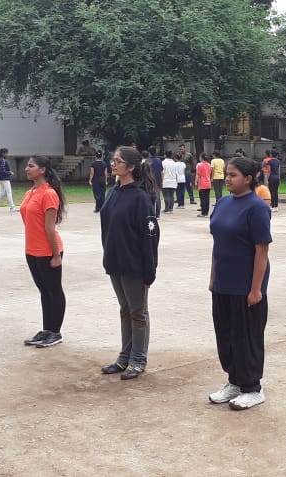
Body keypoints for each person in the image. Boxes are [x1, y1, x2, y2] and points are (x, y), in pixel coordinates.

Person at [207, 156, 272, 410]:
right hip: (223, 282)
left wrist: (256, 289)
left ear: (248, 178)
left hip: (245, 284)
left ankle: (252, 388)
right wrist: (213, 277)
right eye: (227, 174)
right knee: (225, 335)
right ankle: (234, 381)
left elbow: (261, 250)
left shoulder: (257, 208)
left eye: (233, 175)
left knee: (247, 337)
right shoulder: (223, 203)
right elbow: (218, 243)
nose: (227, 179)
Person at [100, 146, 160, 380]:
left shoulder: (140, 198)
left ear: (132, 167)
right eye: (113, 160)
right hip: (115, 262)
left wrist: (149, 270)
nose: (113, 164)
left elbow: (150, 236)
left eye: (118, 161)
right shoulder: (113, 192)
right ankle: (124, 358)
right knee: (125, 310)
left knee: (137, 313)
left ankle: (138, 359)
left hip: (134, 265)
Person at [20, 156, 67, 348]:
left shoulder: (49, 194)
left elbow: (50, 228)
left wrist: (56, 255)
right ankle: (47, 330)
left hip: (48, 251)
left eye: (31, 166)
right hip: (32, 250)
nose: (26, 168)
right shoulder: (30, 192)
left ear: (42, 170)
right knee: (44, 291)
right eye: (27, 165)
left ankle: (55, 332)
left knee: (54, 291)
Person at [144, 148, 163, 218]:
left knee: (150, 198)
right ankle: (158, 214)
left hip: (149, 182)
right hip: (158, 181)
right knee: (158, 198)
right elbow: (161, 172)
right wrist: (162, 181)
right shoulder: (159, 161)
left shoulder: (147, 161)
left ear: (149, 152)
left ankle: (152, 213)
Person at [196, 152, 213, 217]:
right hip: (208, 183)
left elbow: (199, 176)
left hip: (202, 183)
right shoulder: (209, 165)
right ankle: (206, 212)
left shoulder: (200, 166)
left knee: (202, 199)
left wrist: (198, 185)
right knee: (207, 198)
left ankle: (203, 212)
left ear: (201, 158)